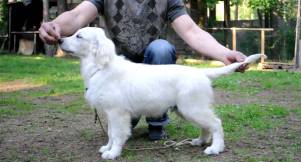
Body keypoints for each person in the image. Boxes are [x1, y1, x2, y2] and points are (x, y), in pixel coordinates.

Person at [39, 0, 247, 141]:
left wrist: (224, 54)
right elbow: (76, 16)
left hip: (151, 67)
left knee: (161, 48)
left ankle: (157, 124)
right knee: (120, 118)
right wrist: (55, 24)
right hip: (119, 69)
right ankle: (129, 119)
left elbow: (192, 31)